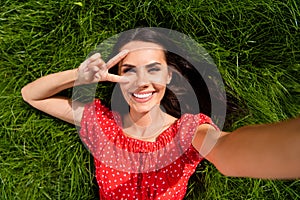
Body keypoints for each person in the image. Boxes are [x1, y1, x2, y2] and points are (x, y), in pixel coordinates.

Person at [21, 27, 300, 199]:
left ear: (168, 76)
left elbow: (227, 150)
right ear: (114, 78)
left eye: (153, 69)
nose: (141, 81)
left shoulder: (186, 132)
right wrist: (81, 76)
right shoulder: (102, 124)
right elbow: (31, 95)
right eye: (128, 71)